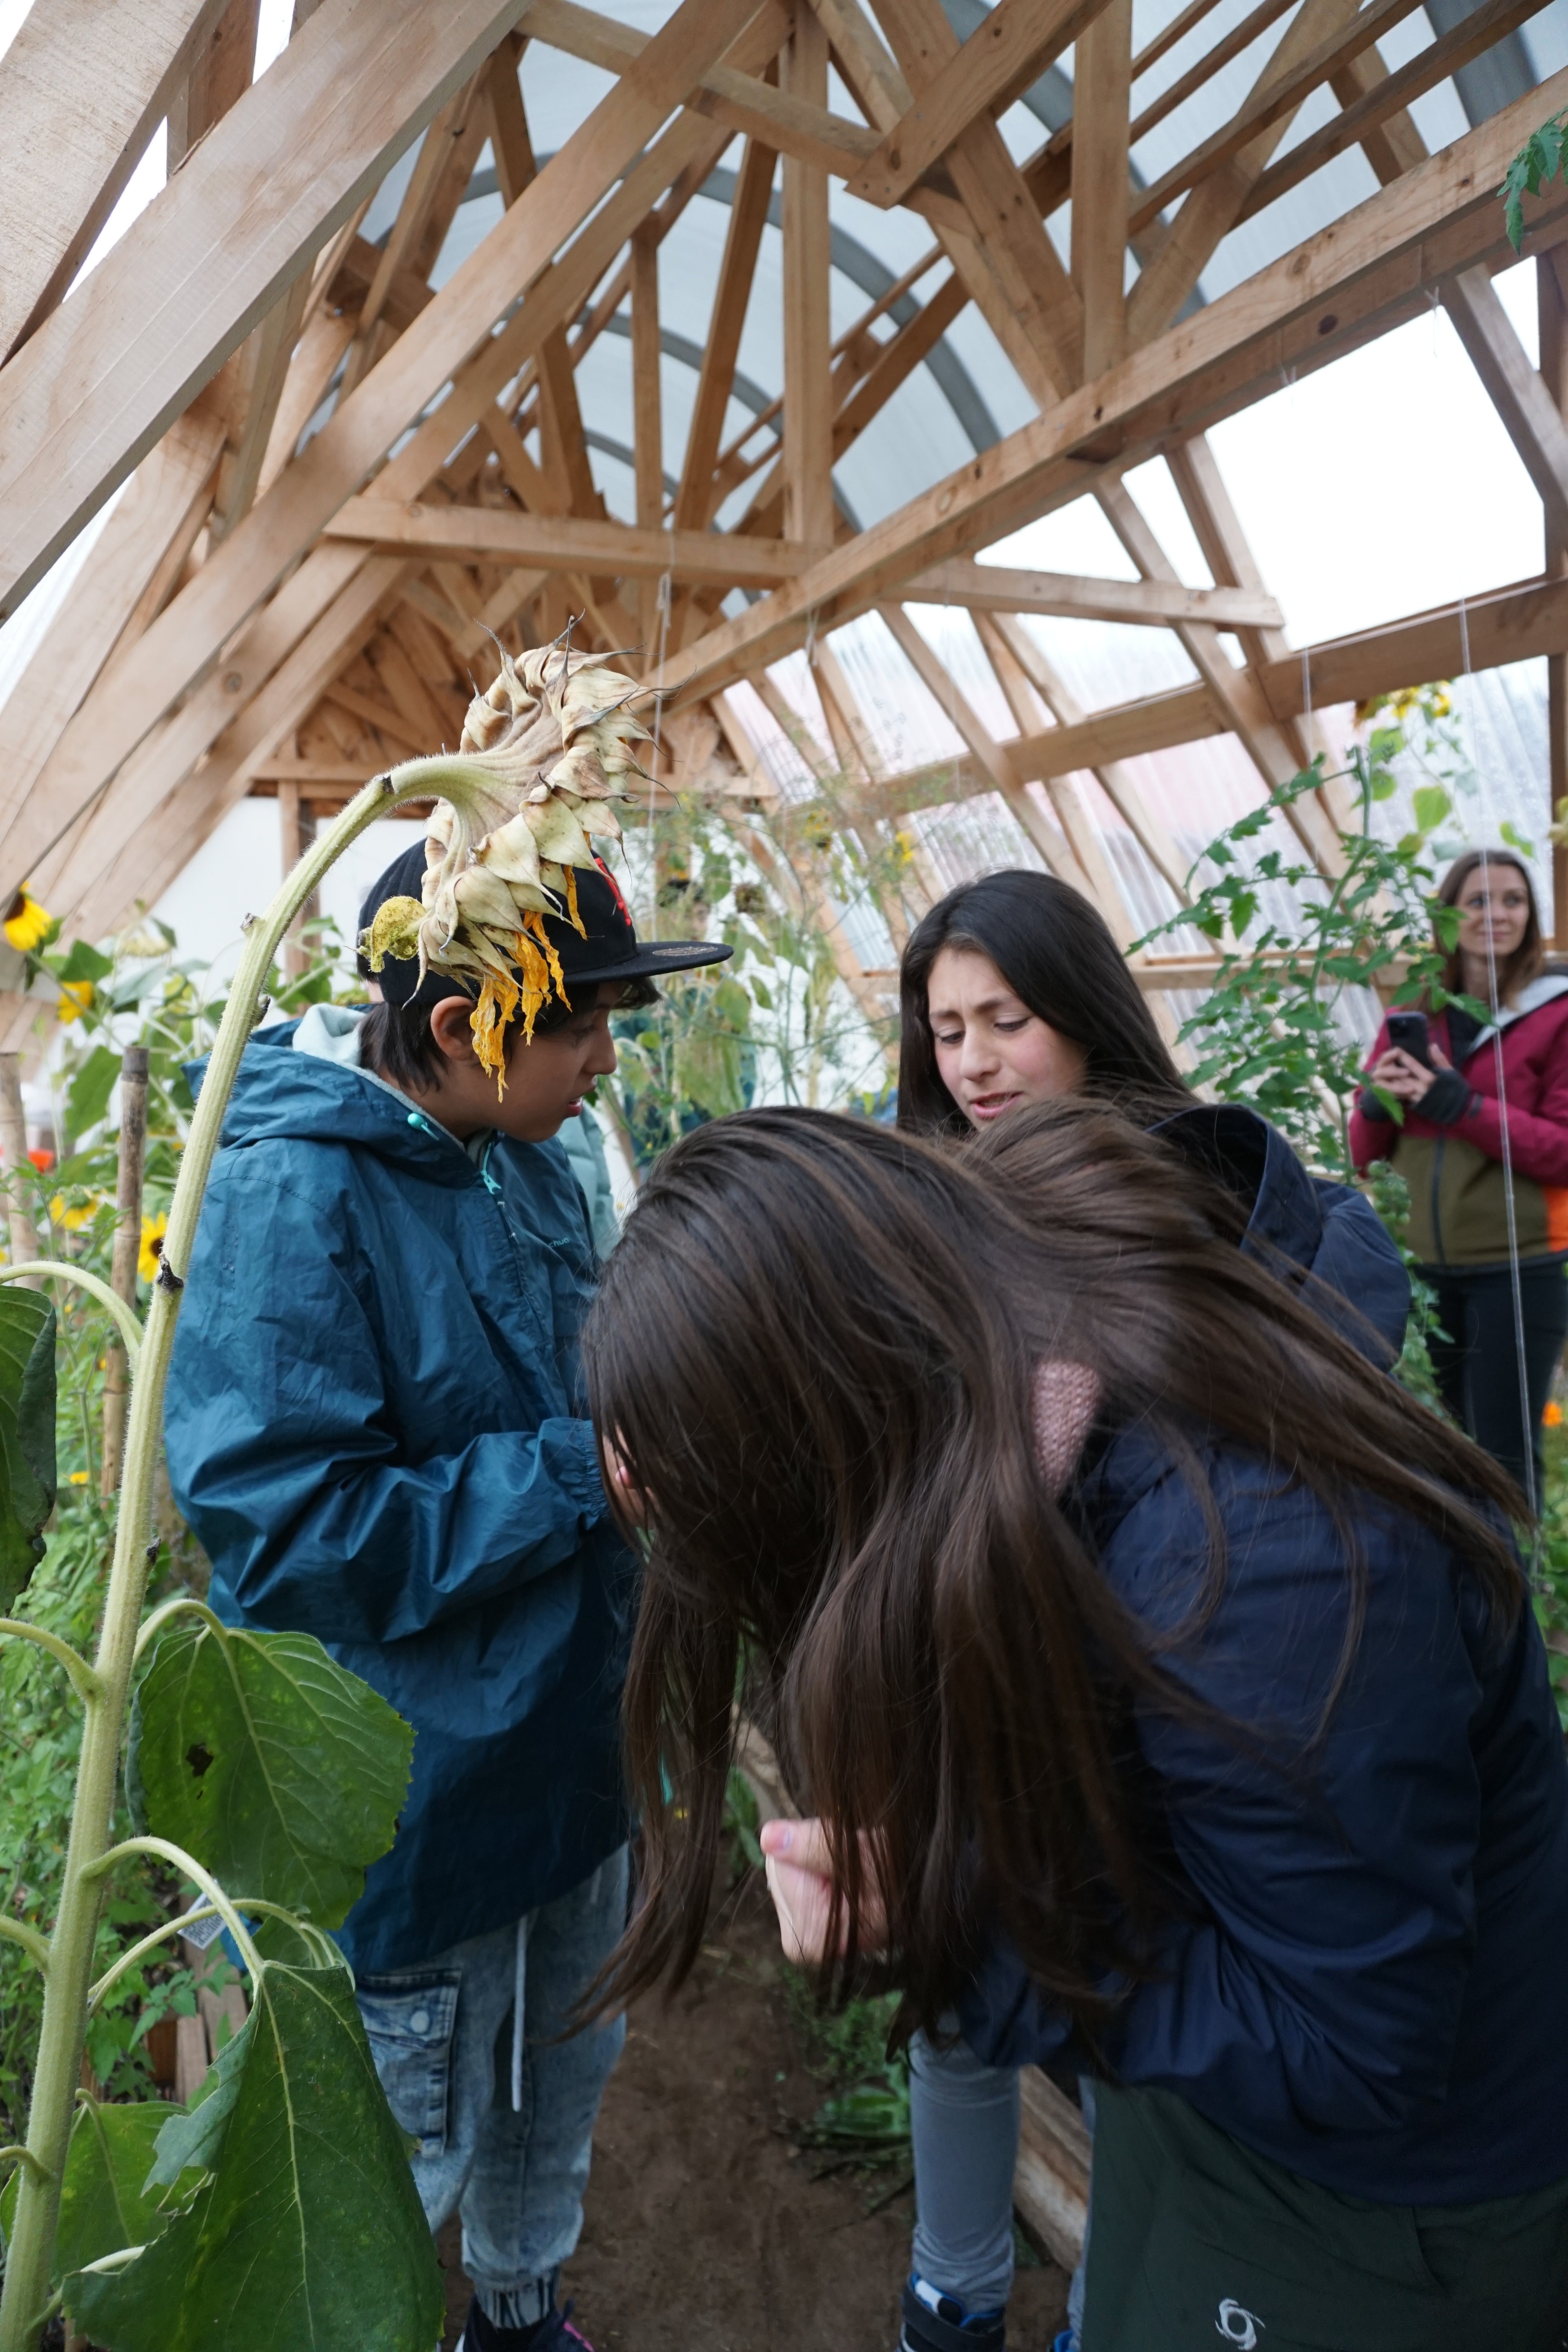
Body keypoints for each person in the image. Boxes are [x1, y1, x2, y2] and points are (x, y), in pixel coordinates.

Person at [586, 1102, 1568, 2352]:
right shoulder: (1025, 1312)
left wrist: (973, 1931)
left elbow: (1355, 2050)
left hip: (1400, 2206)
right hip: (1228, 2082)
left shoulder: (1261, 1578)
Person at [165, 840, 730, 2352]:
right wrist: (583, 1478)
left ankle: (522, 2311)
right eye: (584, 1026)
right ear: (458, 1036)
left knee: (558, 2079)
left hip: (564, 1757)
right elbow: (291, 1528)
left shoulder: (531, 1159)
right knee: (401, 2136)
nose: (608, 1058)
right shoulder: (290, 1198)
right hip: (421, 1798)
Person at [891, 869, 1411, 2352]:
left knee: (1125, 2009)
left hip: (1155, 1687)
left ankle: (1113, 2298)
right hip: (986, 1674)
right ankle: (956, 2292)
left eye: (1009, 1019)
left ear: (1090, 1015)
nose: (977, 1061)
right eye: (946, 1030)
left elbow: (1326, 1352)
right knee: (960, 1993)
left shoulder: (1204, 1205)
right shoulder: (931, 1214)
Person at [1350, 847, 1568, 1497]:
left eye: (1513, 901)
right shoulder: (1411, 1016)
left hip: (1519, 1266)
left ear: (1531, 917)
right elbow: (1364, 1155)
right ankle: (1469, 1586)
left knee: (1504, 1457)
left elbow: (1563, 1149)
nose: (1496, 914)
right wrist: (1375, 1100)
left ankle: (1517, 1590)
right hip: (1424, 1270)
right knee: (1444, 1447)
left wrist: (1461, 1106)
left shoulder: (1556, 1014)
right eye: (1478, 901)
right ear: (1448, 915)